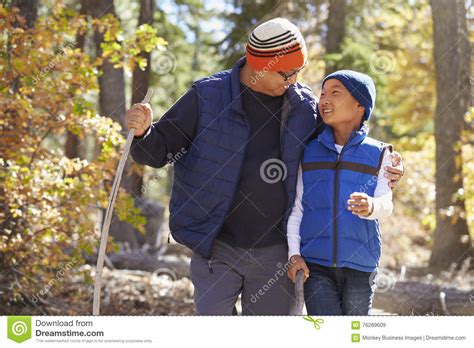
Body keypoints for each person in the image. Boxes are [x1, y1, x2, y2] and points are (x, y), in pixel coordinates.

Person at [125, 18, 404, 315]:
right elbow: (157, 152)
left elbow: (342, 145)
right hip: (216, 246)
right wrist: (143, 133)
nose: (294, 80)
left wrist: (386, 165)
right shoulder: (207, 97)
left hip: (279, 253)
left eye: (299, 71)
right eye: (287, 72)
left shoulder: (304, 108)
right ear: (261, 66)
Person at [287, 70, 394, 315]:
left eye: (335, 93)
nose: (325, 99)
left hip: (361, 265)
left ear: (360, 105)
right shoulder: (308, 151)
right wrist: (294, 254)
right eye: (323, 93)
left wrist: (371, 206)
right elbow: (298, 208)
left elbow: (386, 204)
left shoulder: (380, 153)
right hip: (315, 265)